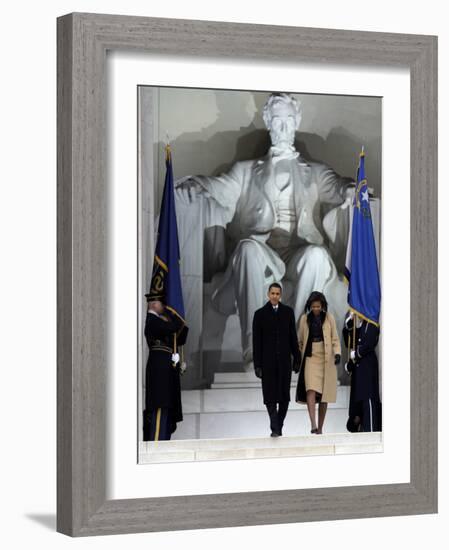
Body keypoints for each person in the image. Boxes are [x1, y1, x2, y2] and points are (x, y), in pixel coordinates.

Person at [176, 92, 354, 370]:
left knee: (318, 256)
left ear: (297, 122)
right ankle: (254, 351)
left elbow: (340, 185)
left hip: (299, 254)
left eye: (288, 121)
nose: (283, 128)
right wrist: (198, 184)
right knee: (246, 248)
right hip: (263, 253)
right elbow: (221, 188)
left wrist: (352, 189)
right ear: (269, 123)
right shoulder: (246, 170)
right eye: (277, 121)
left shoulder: (316, 172)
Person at [252, 283, 301, 437]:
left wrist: (297, 358)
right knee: (270, 396)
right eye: (272, 293)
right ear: (268, 294)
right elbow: (256, 342)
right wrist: (257, 365)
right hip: (267, 363)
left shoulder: (288, 312)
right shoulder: (259, 314)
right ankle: (275, 427)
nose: (274, 296)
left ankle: (278, 425)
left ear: (280, 295)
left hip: (284, 363)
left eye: (277, 293)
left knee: (284, 397)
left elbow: (293, 337)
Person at [143, 295, 188, 441]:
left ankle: (163, 438)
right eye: (163, 305)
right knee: (160, 406)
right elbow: (173, 327)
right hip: (159, 369)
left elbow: (180, 334)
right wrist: (175, 313)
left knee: (166, 406)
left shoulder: (159, 321)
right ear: (155, 305)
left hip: (165, 369)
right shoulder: (152, 320)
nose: (165, 307)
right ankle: (157, 440)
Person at [296, 291, 341, 434]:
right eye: (313, 306)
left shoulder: (329, 318)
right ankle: (313, 424)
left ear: (322, 306)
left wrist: (338, 353)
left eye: (318, 306)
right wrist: (297, 358)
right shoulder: (304, 319)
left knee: (324, 395)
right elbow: (300, 341)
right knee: (310, 389)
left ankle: (321, 428)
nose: (316, 309)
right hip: (310, 357)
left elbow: (335, 338)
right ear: (310, 306)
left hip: (326, 357)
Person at [342, 311, 382, 432]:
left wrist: (357, 354)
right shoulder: (361, 326)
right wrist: (349, 325)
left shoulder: (371, 324)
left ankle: (370, 428)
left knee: (368, 398)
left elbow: (368, 343)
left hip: (367, 367)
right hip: (359, 370)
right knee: (358, 401)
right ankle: (361, 428)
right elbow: (350, 341)